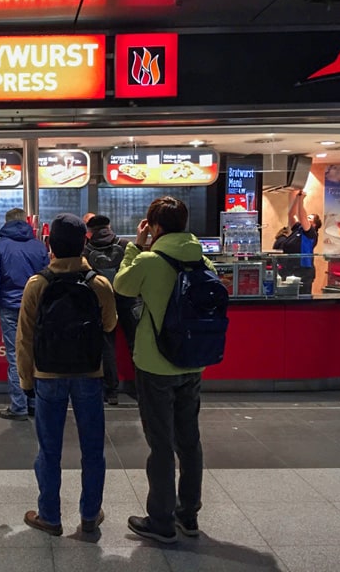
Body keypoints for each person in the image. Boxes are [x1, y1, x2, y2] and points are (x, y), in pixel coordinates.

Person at [113, 196, 211, 543]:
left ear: (154, 227)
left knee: (161, 444)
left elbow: (121, 286)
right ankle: (189, 515)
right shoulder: (203, 261)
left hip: (156, 365)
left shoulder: (151, 260)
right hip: (192, 362)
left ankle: (161, 521)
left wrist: (135, 248)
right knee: (190, 441)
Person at [16, 213, 117, 536]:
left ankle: (50, 516)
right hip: (89, 371)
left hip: (48, 374)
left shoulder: (39, 283)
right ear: (84, 243)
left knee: (49, 449)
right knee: (92, 449)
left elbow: (25, 337)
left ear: (50, 245)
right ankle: (89, 515)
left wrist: (25, 380)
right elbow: (110, 323)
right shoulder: (98, 283)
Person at [0, 208, 50, 421]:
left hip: (10, 308)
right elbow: (48, 277)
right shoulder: (38, 246)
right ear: (26, 222)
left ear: (6, 222)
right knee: (35, 354)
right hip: (36, 307)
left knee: (15, 356)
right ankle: (34, 403)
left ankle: (19, 405)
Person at [84, 214, 141, 405]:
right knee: (136, 345)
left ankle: (111, 391)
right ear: (109, 226)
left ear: (90, 232)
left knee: (107, 347)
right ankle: (142, 389)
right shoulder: (126, 245)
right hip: (129, 300)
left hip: (102, 303)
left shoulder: (86, 249)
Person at [273, 189, 322, 294]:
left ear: (314, 225)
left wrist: (301, 199)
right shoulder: (298, 228)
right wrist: (296, 199)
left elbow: (301, 216)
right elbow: (291, 215)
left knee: (302, 298)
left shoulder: (311, 233)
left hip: (303, 271)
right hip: (290, 269)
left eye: (309, 218)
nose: (306, 218)